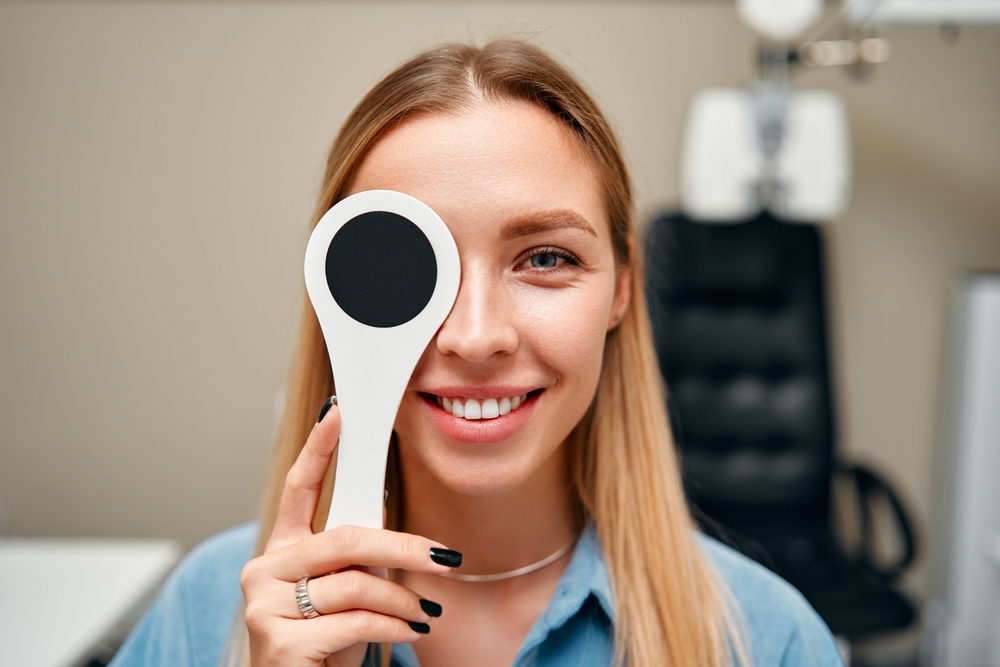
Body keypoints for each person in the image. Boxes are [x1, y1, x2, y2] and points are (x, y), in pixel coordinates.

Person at [110, 40, 843, 667]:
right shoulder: (205, 613)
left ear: (623, 285)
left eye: (546, 257)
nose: (476, 335)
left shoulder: (768, 640)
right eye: (412, 272)